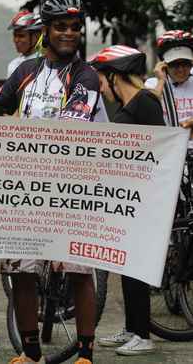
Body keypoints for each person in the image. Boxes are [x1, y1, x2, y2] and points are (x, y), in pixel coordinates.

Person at [0, 0, 99, 364]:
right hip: (24, 186)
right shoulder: (25, 70)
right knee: (21, 273)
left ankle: (85, 355)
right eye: (61, 27)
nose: (69, 34)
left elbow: (73, 125)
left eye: (75, 27)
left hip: (70, 186)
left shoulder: (85, 75)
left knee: (78, 271)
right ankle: (30, 354)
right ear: (45, 30)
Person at [89, 45, 164, 356]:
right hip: (130, 198)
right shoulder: (130, 106)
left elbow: (160, 151)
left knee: (137, 267)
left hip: (145, 199)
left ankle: (143, 336)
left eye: (103, 81)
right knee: (128, 267)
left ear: (114, 76)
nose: (102, 88)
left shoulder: (144, 103)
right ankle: (133, 329)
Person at [145, 30, 193, 124]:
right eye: (174, 64)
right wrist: (161, 81)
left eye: (185, 63)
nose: (181, 70)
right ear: (164, 64)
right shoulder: (152, 84)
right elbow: (145, 111)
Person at [6, 10, 42, 78]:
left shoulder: (46, 63)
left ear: (36, 36)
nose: (16, 40)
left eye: (21, 36)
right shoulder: (13, 65)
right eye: (15, 35)